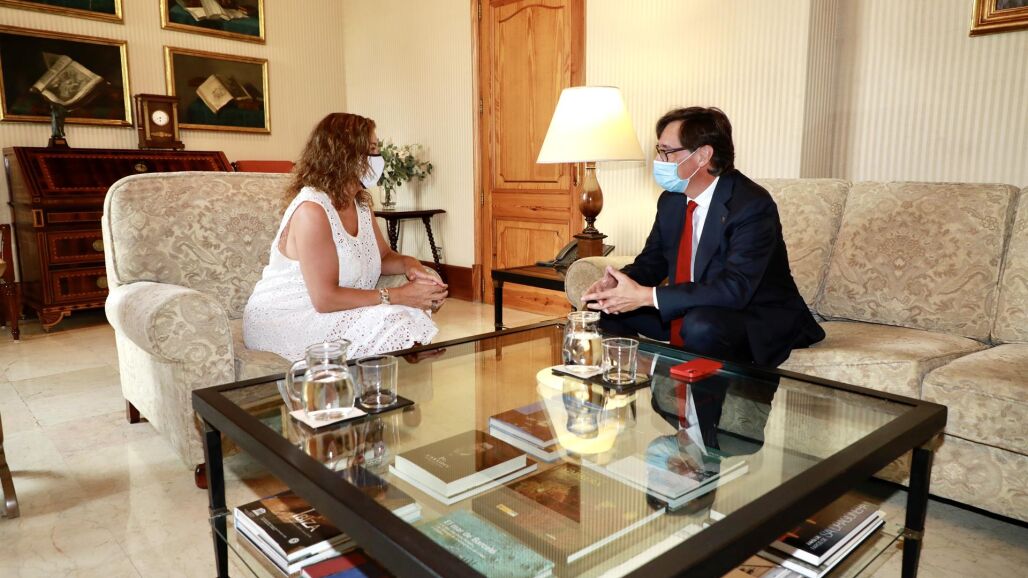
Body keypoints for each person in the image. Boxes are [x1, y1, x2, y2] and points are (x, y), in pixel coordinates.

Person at [582, 107, 824, 366]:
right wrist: (618, 285)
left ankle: (698, 390)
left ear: (702, 156)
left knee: (700, 325)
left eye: (667, 152)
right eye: (658, 150)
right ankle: (630, 380)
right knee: (602, 309)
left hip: (753, 313)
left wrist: (648, 296)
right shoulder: (671, 201)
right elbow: (651, 262)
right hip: (692, 307)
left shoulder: (750, 205)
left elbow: (735, 288)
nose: (659, 160)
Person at [244, 112, 447, 361]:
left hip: (325, 311)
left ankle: (403, 358)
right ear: (344, 155)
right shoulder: (312, 210)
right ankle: (403, 356)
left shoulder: (359, 204)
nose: (378, 158)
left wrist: (412, 266)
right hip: (287, 317)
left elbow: (383, 256)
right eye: (371, 149)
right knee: (393, 316)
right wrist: (398, 296)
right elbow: (325, 299)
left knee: (410, 312)